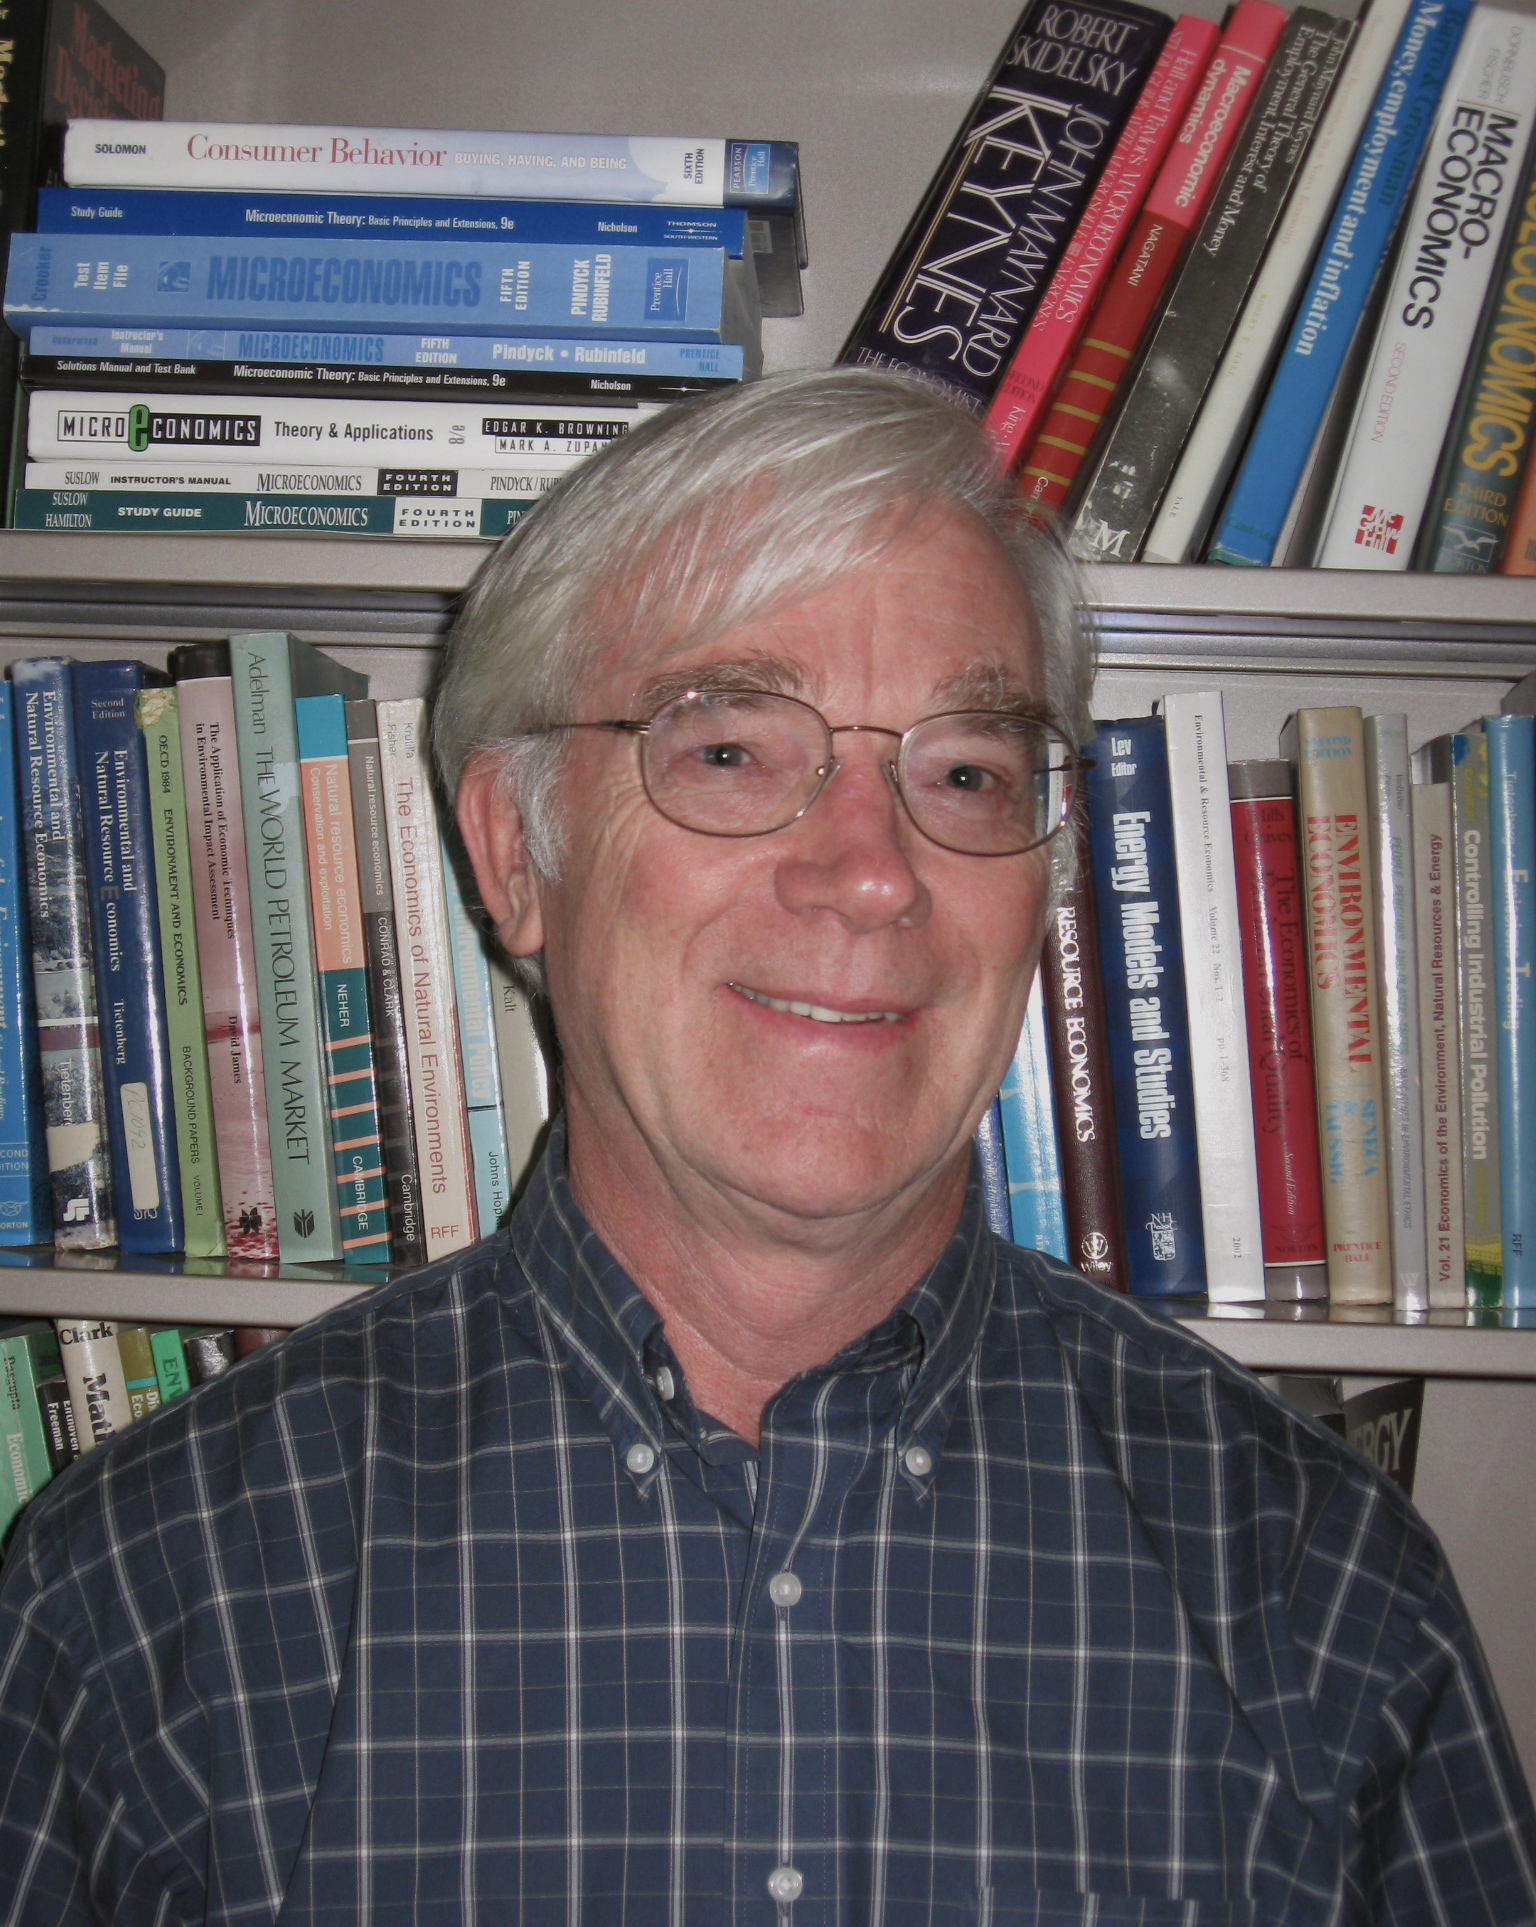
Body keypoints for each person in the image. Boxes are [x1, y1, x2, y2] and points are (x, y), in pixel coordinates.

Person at [0, 370, 1531, 1926]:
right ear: (515, 852)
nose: (872, 874)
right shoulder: (139, 1600)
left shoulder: (1324, 1593)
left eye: (965, 773)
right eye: (728, 750)